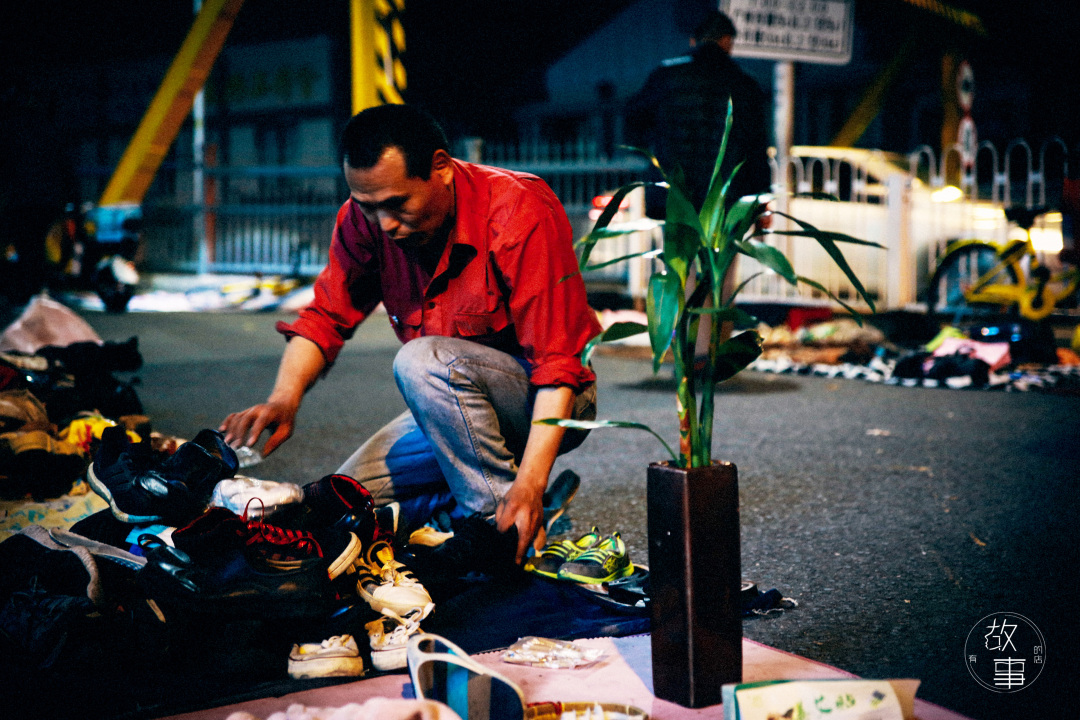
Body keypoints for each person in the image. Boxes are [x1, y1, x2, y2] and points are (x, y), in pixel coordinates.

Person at [220, 104, 601, 569]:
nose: (384, 224)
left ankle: (499, 531)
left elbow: (557, 365)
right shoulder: (363, 220)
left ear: (440, 168)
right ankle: (479, 512)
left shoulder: (518, 209)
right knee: (339, 504)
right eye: (368, 206)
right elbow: (326, 315)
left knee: (421, 361)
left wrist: (530, 484)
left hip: (553, 402)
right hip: (453, 409)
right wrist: (283, 398)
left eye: (397, 204)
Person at [625, 9, 771, 211]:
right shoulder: (745, 84)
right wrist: (760, 202)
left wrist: (656, 153)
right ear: (727, 41)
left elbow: (633, 120)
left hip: (675, 192)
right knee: (723, 242)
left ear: (694, 41)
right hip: (727, 198)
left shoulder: (666, 75)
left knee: (678, 240)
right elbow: (756, 149)